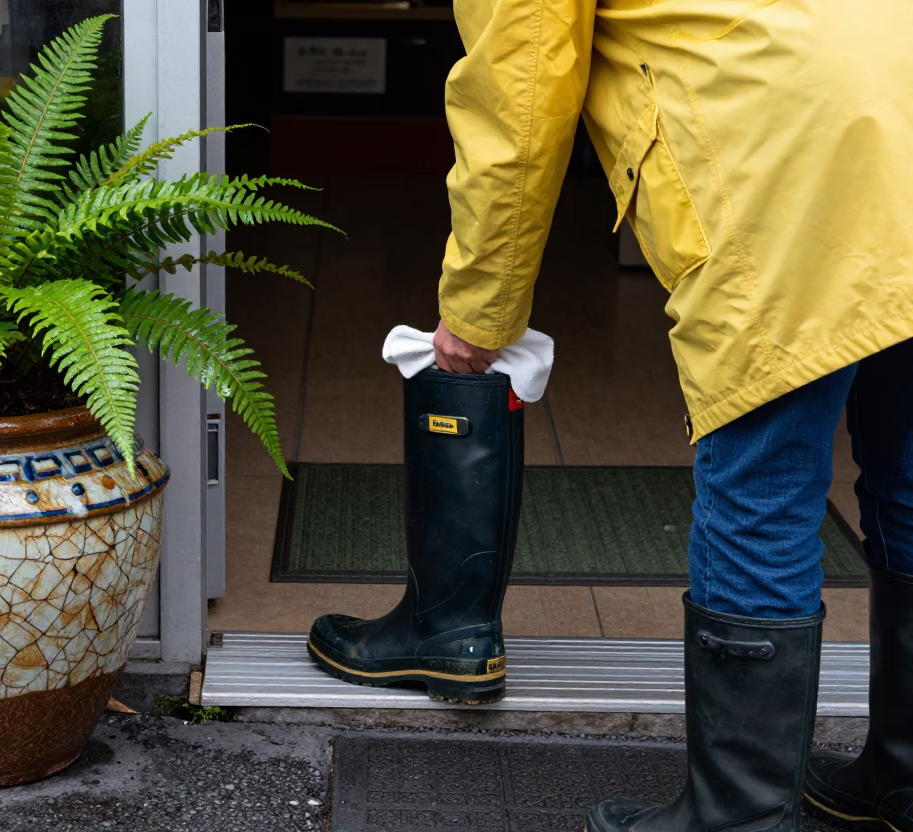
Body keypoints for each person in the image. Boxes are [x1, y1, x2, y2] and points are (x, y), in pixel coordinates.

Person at [310, 3, 913, 832]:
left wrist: (478, 314)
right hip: (897, 101)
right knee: (911, 471)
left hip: (783, 156)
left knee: (764, 479)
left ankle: (736, 818)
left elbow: (521, 91)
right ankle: (905, 779)